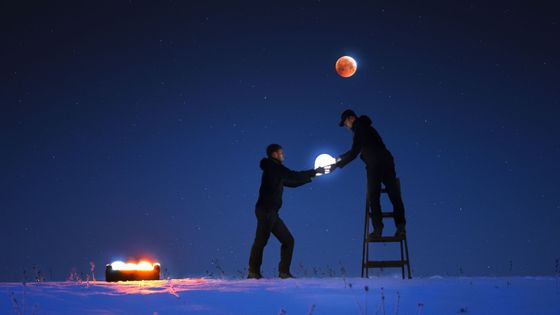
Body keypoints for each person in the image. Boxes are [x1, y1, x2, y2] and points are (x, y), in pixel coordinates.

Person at [248, 144, 325, 279]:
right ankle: (253, 272)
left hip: (271, 212)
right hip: (266, 210)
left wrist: (311, 177)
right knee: (261, 241)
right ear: (274, 154)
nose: (283, 155)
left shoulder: (275, 170)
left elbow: (292, 182)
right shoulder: (273, 168)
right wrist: (314, 172)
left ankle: (283, 272)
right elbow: (292, 175)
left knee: (288, 241)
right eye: (281, 152)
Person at [331, 109, 406, 238]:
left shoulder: (359, 129)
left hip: (374, 164)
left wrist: (337, 165)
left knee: (373, 196)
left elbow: (354, 152)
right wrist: (339, 158)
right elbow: (356, 149)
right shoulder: (366, 127)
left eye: (345, 123)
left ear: (351, 118)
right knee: (394, 194)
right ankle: (400, 227)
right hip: (386, 161)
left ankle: (377, 230)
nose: (346, 127)